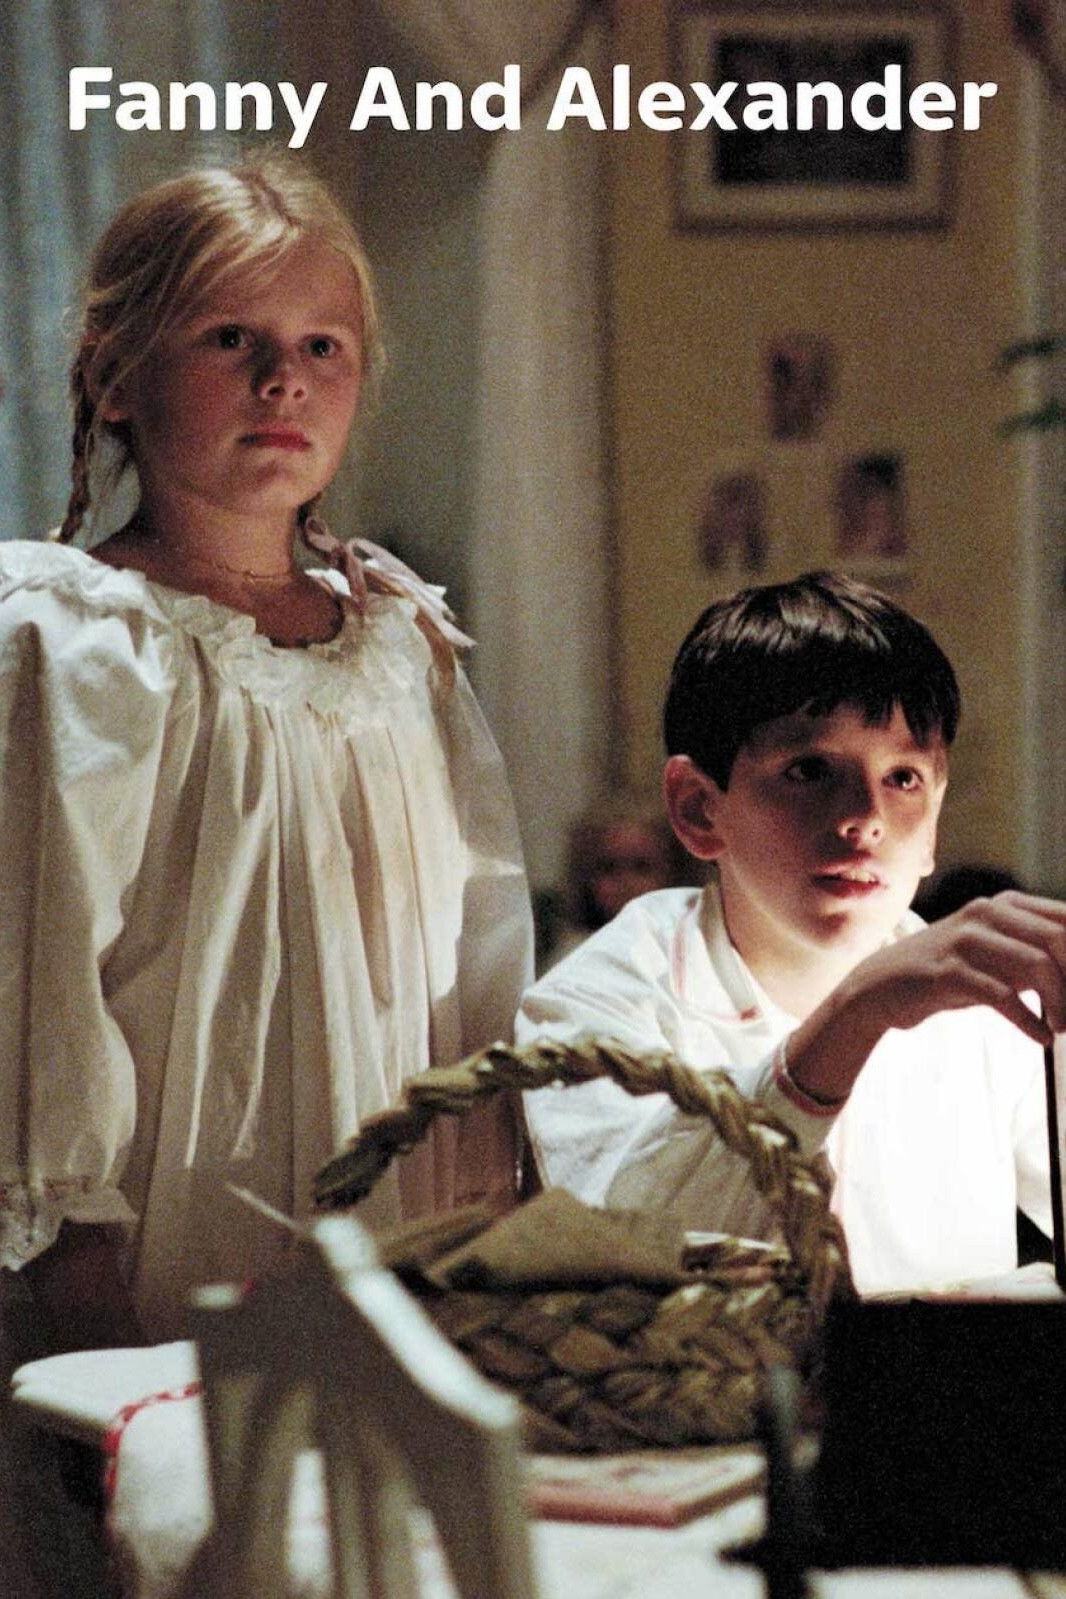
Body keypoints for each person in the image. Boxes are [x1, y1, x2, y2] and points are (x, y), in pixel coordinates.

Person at [0, 157, 532, 1351]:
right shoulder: (68, 643)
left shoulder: (399, 642)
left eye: (321, 346)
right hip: (152, 1269)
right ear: (116, 377)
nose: (283, 378)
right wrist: (92, 1325)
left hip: (395, 1250)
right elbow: (31, 984)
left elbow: (473, 960)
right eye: (230, 338)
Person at [519, 571, 1060, 1297]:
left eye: (903, 778)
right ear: (698, 809)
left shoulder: (994, 1009)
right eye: (810, 770)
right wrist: (859, 1010)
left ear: (934, 820)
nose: (864, 817)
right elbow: (639, 1244)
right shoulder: (599, 999)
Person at [539, 791, 691, 970]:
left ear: (673, 871)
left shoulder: (694, 947)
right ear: (586, 878)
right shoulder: (575, 956)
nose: (626, 883)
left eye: (641, 867)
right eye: (608, 868)